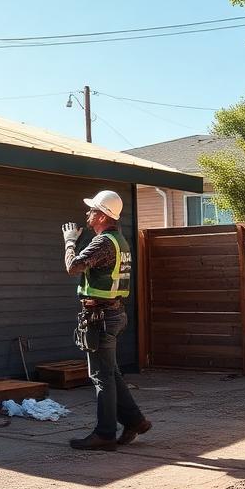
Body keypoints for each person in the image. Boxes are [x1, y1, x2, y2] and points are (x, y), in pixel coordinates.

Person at [62, 190, 151, 451]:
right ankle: (135, 421)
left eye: (92, 210)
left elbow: (73, 266)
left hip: (101, 316)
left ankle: (105, 434)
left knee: (101, 376)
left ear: (102, 216)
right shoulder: (119, 240)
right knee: (110, 372)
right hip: (113, 313)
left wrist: (69, 242)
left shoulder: (103, 242)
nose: (88, 214)